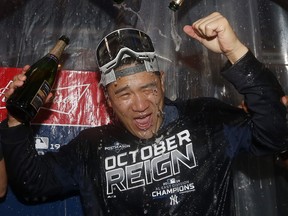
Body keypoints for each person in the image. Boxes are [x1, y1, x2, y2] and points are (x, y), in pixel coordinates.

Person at [0, 12, 287, 216]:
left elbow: (277, 132)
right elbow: (31, 184)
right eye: (123, 93)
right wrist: (16, 118)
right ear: (107, 98)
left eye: (148, 88)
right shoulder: (90, 147)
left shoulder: (205, 117)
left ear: (162, 81)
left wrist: (234, 50)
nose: (140, 105)